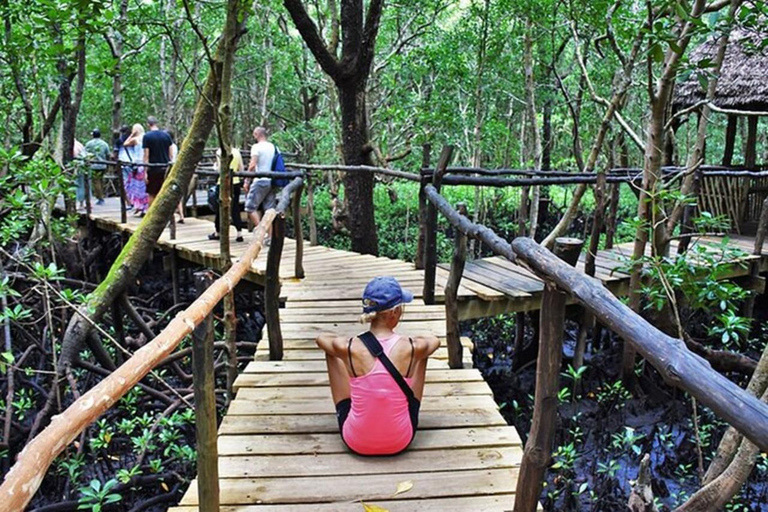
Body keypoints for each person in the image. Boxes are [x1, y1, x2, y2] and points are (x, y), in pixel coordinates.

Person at [315, 277, 440, 456]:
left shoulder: (349, 346)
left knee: (334, 352)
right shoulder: (412, 347)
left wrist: (345, 348)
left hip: (355, 441)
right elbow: (434, 341)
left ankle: (350, 404)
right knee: (422, 354)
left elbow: (321, 339)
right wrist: (414, 343)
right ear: (395, 312)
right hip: (400, 441)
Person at [243, 127, 276, 242]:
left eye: (254, 135)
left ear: (257, 134)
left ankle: (261, 233)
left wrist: (247, 180)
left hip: (260, 181)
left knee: (250, 207)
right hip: (271, 180)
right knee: (269, 210)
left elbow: (252, 165)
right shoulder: (272, 146)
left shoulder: (256, 147)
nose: (253, 137)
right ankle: (270, 237)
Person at [209, 147, 245, 242]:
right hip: (235, 183)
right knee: (235, 207)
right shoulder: (236, 151)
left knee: (220, 207)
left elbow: (220, 170)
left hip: (223, 183)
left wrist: (215, 167)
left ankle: (218, 232)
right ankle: (239, 233)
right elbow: (241, 168)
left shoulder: (220, 152)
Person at [142, 116, 173, 206]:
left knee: (152, 193)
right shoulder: (166, 136)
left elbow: (146, 156)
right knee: (164, 192)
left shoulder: (147, 137)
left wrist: (145, 172)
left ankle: (150, 215)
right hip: (165, 168)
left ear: (148, 124)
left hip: (153, 169)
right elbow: (170, 154)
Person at [121, 124, 148, 216]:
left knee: (134, 187)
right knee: (143, 187)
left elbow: (125, 143)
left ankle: (140, 206)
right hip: (144, 164)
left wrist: (132, 135)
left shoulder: (135, 139)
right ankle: (142, 207)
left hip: (137, 164)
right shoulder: (146, 137)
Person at [84, 129, 111, 205]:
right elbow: (108, 154)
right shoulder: (104, 144)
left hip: (93, 166)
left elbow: (85, 154)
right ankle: (100, 196)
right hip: (103, 165)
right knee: (100, 181)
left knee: (96, 182)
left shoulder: (89, 144)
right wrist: (107, 164)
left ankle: (100, 198)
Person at [167, 130, 184, 223]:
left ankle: (172, 218)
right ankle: (181, 215)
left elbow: (170, 157)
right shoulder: (175, 146)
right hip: (176, 169)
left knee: (170, 194)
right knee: (177, 194)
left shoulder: (169, 146)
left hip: (170, 170)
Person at [73, 139, 88, 210]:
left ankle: (78, 203)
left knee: (77, 184)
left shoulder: (74, 145)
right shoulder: (80, 144)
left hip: (78, 166)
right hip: (84, 166)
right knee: (82, 184)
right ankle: (83, 203)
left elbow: (75, 154)